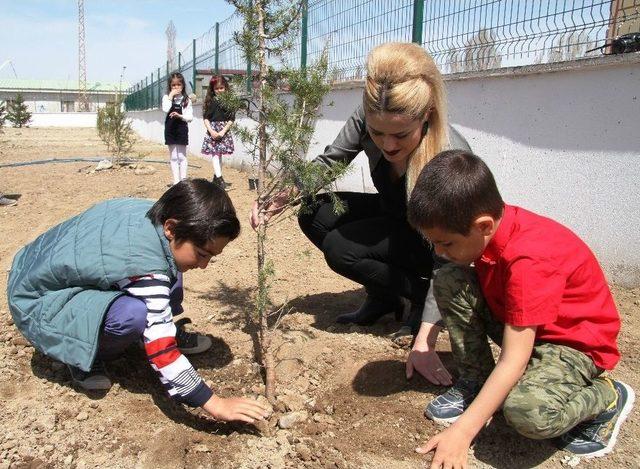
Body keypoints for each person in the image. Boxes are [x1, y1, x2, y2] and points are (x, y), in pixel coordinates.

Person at [406, 150, 633, 465]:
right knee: (449, 279)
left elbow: (514, 358)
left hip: (572, 344)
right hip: (528, 324)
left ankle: (609, 397)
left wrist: (462, 431)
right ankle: (477, 381)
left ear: (483, 225)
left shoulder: (529, 258)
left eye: (446, 243)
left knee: (528, 413)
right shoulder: (493, 227)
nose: (439, 251)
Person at [249, 42, 470, 338]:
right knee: (314, 212)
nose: (388, 145)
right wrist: (283, 194)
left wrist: (430, 325)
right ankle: (384, 297)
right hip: (395, 214)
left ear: (427, 114)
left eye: (401, 135)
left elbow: (453, 256)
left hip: (431, 241)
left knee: (341, 249)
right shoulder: (370, 112)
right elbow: (332, 161)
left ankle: (420, 297)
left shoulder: (448, 155)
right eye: (377, 133)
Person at [7, 179, 270, 424]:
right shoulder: (147, 267)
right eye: (202, 254)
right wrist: (215, 403)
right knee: (133, 314)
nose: (204, 265)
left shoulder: (154, 214)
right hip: (39, 302)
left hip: (33, 269)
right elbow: (163, 353)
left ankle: (158, 322)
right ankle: (83, 355)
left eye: (211, 257)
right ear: (171, 227)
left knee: (173, 267)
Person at [200, 75, 235, 190]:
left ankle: (216, 178)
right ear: (212, 89)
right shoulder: (211, 102)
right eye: (216, 88)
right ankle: (219, 179)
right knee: (215, 154)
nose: (219, 91)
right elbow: (206, 118)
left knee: (219, 155)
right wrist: (211, 131)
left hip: (223, 130)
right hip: (213, 130)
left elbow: (231, 119)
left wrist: (223, 131)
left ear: (225, 87)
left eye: (221, 88)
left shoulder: (230, 102)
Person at [163, 72, 193, 185]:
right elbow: (166, 109)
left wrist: (179, 116)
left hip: (181, 129)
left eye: (178, 85)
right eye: (173, 85)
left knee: (181, 156)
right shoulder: (167, 97)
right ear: (170, 86)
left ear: (183, 85)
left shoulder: (186, 100)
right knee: (173, 157)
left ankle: (183, 181)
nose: (176, 88)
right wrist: (170, 96)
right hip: (170, 129)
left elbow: (190, 117)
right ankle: (176, 182)